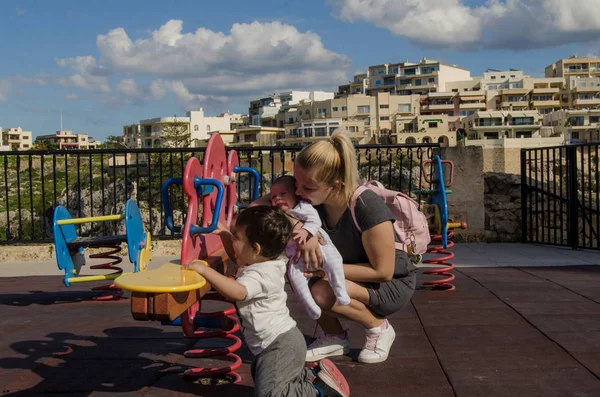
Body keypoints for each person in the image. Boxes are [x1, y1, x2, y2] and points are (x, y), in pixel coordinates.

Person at [253, 132, 417, 364]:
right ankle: (334, 336)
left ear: (336, 185)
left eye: (306, 188)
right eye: (296, 184)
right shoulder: (311, 201)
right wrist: (301, 227)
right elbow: (257, 208)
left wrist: (323, 269)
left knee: (321, 288)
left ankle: (379, 328)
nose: (298, 193)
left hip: (389, 283)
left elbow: (383, 272)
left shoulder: (367, 206)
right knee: (298, 268)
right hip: (345, 273)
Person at [183, 205, 350, 397]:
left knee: (270, 394)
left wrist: (205, 271)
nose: (233, 239)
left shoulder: (262, 273)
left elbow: (238, 292)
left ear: (255, 248)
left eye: (237, 237)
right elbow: (236, 254)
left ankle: (320, 389)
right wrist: (225, 235)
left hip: (278, 343)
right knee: (270, 380)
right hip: (278, 341)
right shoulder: (261, 259)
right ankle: (310, 376)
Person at [270, 175, 350, 320]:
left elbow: (315, 220)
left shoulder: (303, 207)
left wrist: (306, 231)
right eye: (273, 196)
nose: (277, 199)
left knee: (334, 261)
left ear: (296, 194)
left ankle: (340, 291)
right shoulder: (277, 214)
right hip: (297, 256)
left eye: (283, 194)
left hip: (321, 247)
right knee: (294, 277)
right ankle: (310, 306)